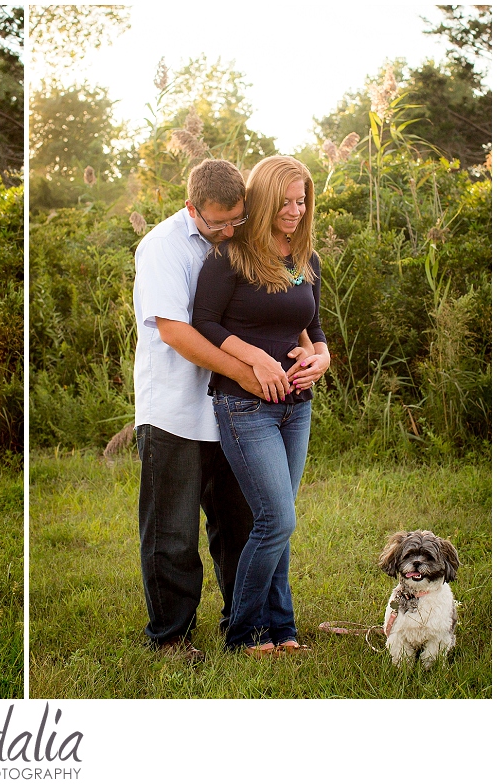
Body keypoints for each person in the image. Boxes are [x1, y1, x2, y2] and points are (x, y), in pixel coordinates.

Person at [133, 159, 311, 661]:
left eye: (239, 218)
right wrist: (245, 368)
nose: (230, 230)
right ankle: (171, 636)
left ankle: (246, 625)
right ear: (193, 210)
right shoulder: (164, 247)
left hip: (235, 412)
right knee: (171, 532)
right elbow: (176, 330)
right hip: (175, 409)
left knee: (240, 525)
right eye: (219, 223)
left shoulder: (239, 247)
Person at [192, 155, 330, 656]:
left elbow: (312, 328)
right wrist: (253, 358)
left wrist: (323, 358)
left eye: (302, 201)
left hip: (298, 406)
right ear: (265, 198)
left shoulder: (305, 258)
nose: (295, 211)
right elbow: (204, 323)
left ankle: (282, 627)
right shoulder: (229, 257)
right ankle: (243, 633)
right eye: (286, 201)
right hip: (244, 407)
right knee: (276, 519)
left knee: (280, 519)